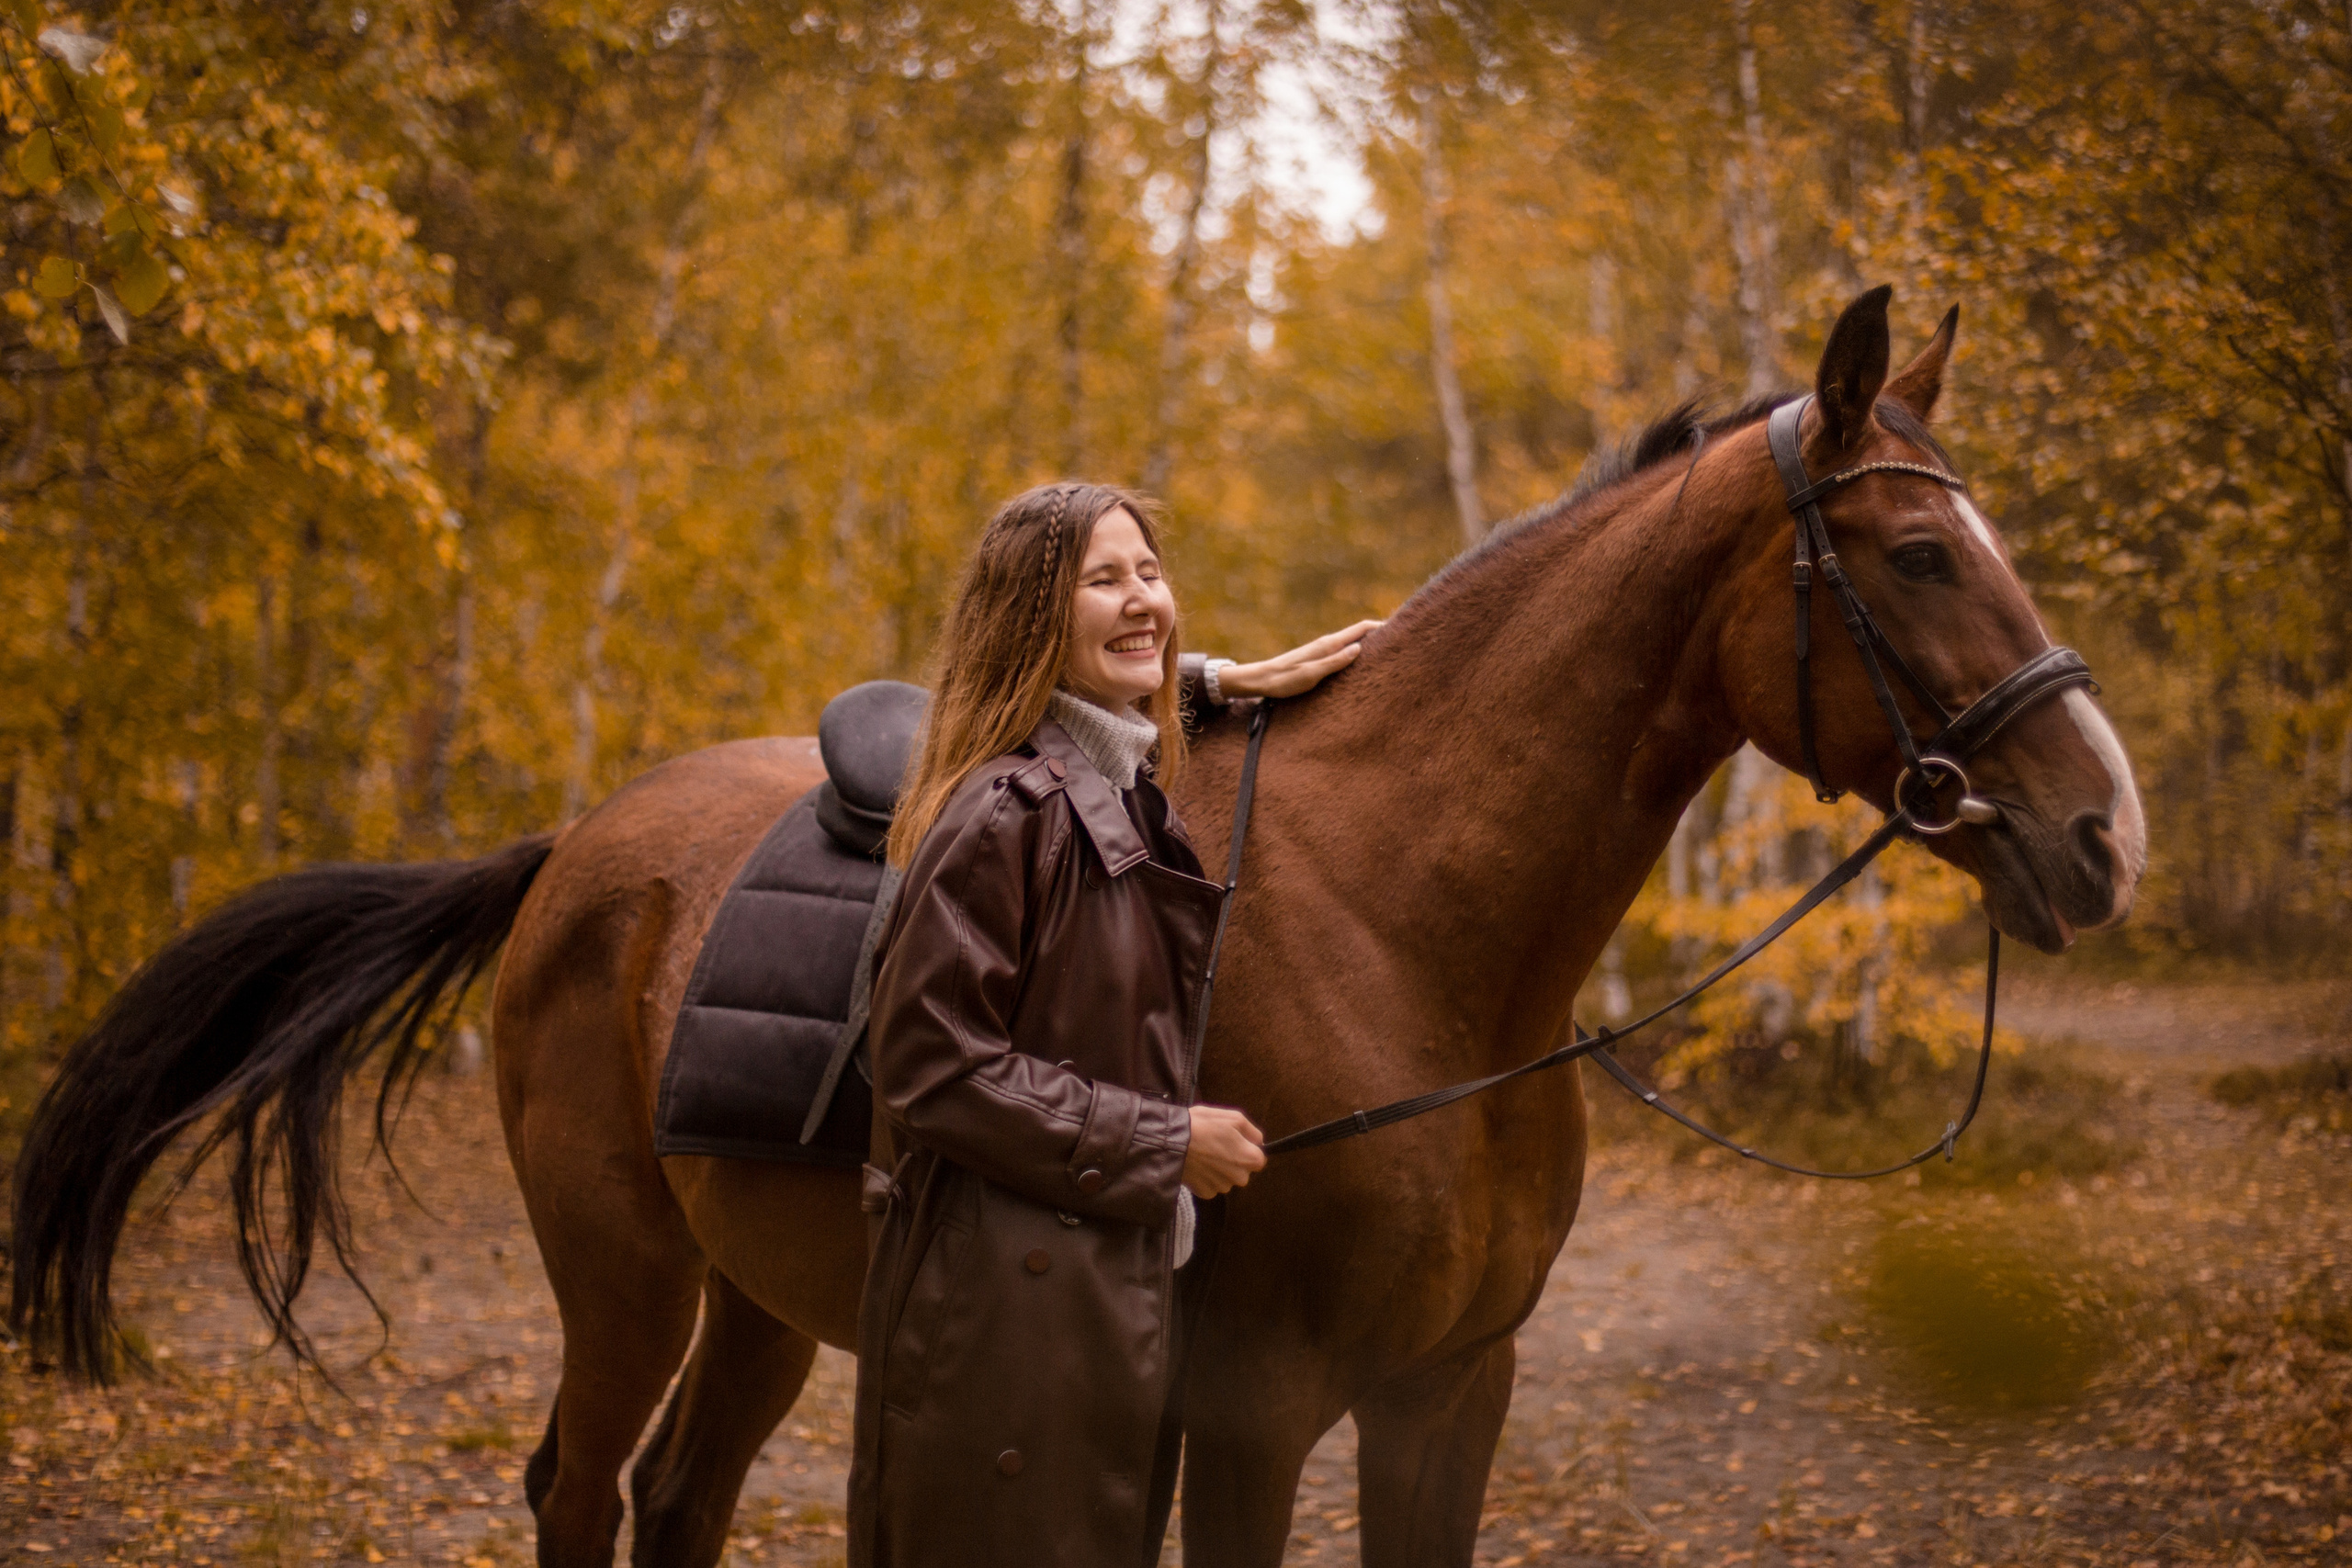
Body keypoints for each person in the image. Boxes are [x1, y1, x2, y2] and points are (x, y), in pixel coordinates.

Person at [846, 481, 1377, 1567]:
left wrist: (1212, 682)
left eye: (1149, 572)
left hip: (1090, 1307)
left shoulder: (1122, 789)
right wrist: (1165, 1142)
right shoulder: (1005, 813)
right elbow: (929, 1065)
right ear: (1032, 617)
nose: (1141, 599)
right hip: (1003, 1329)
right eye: (1103, 579)